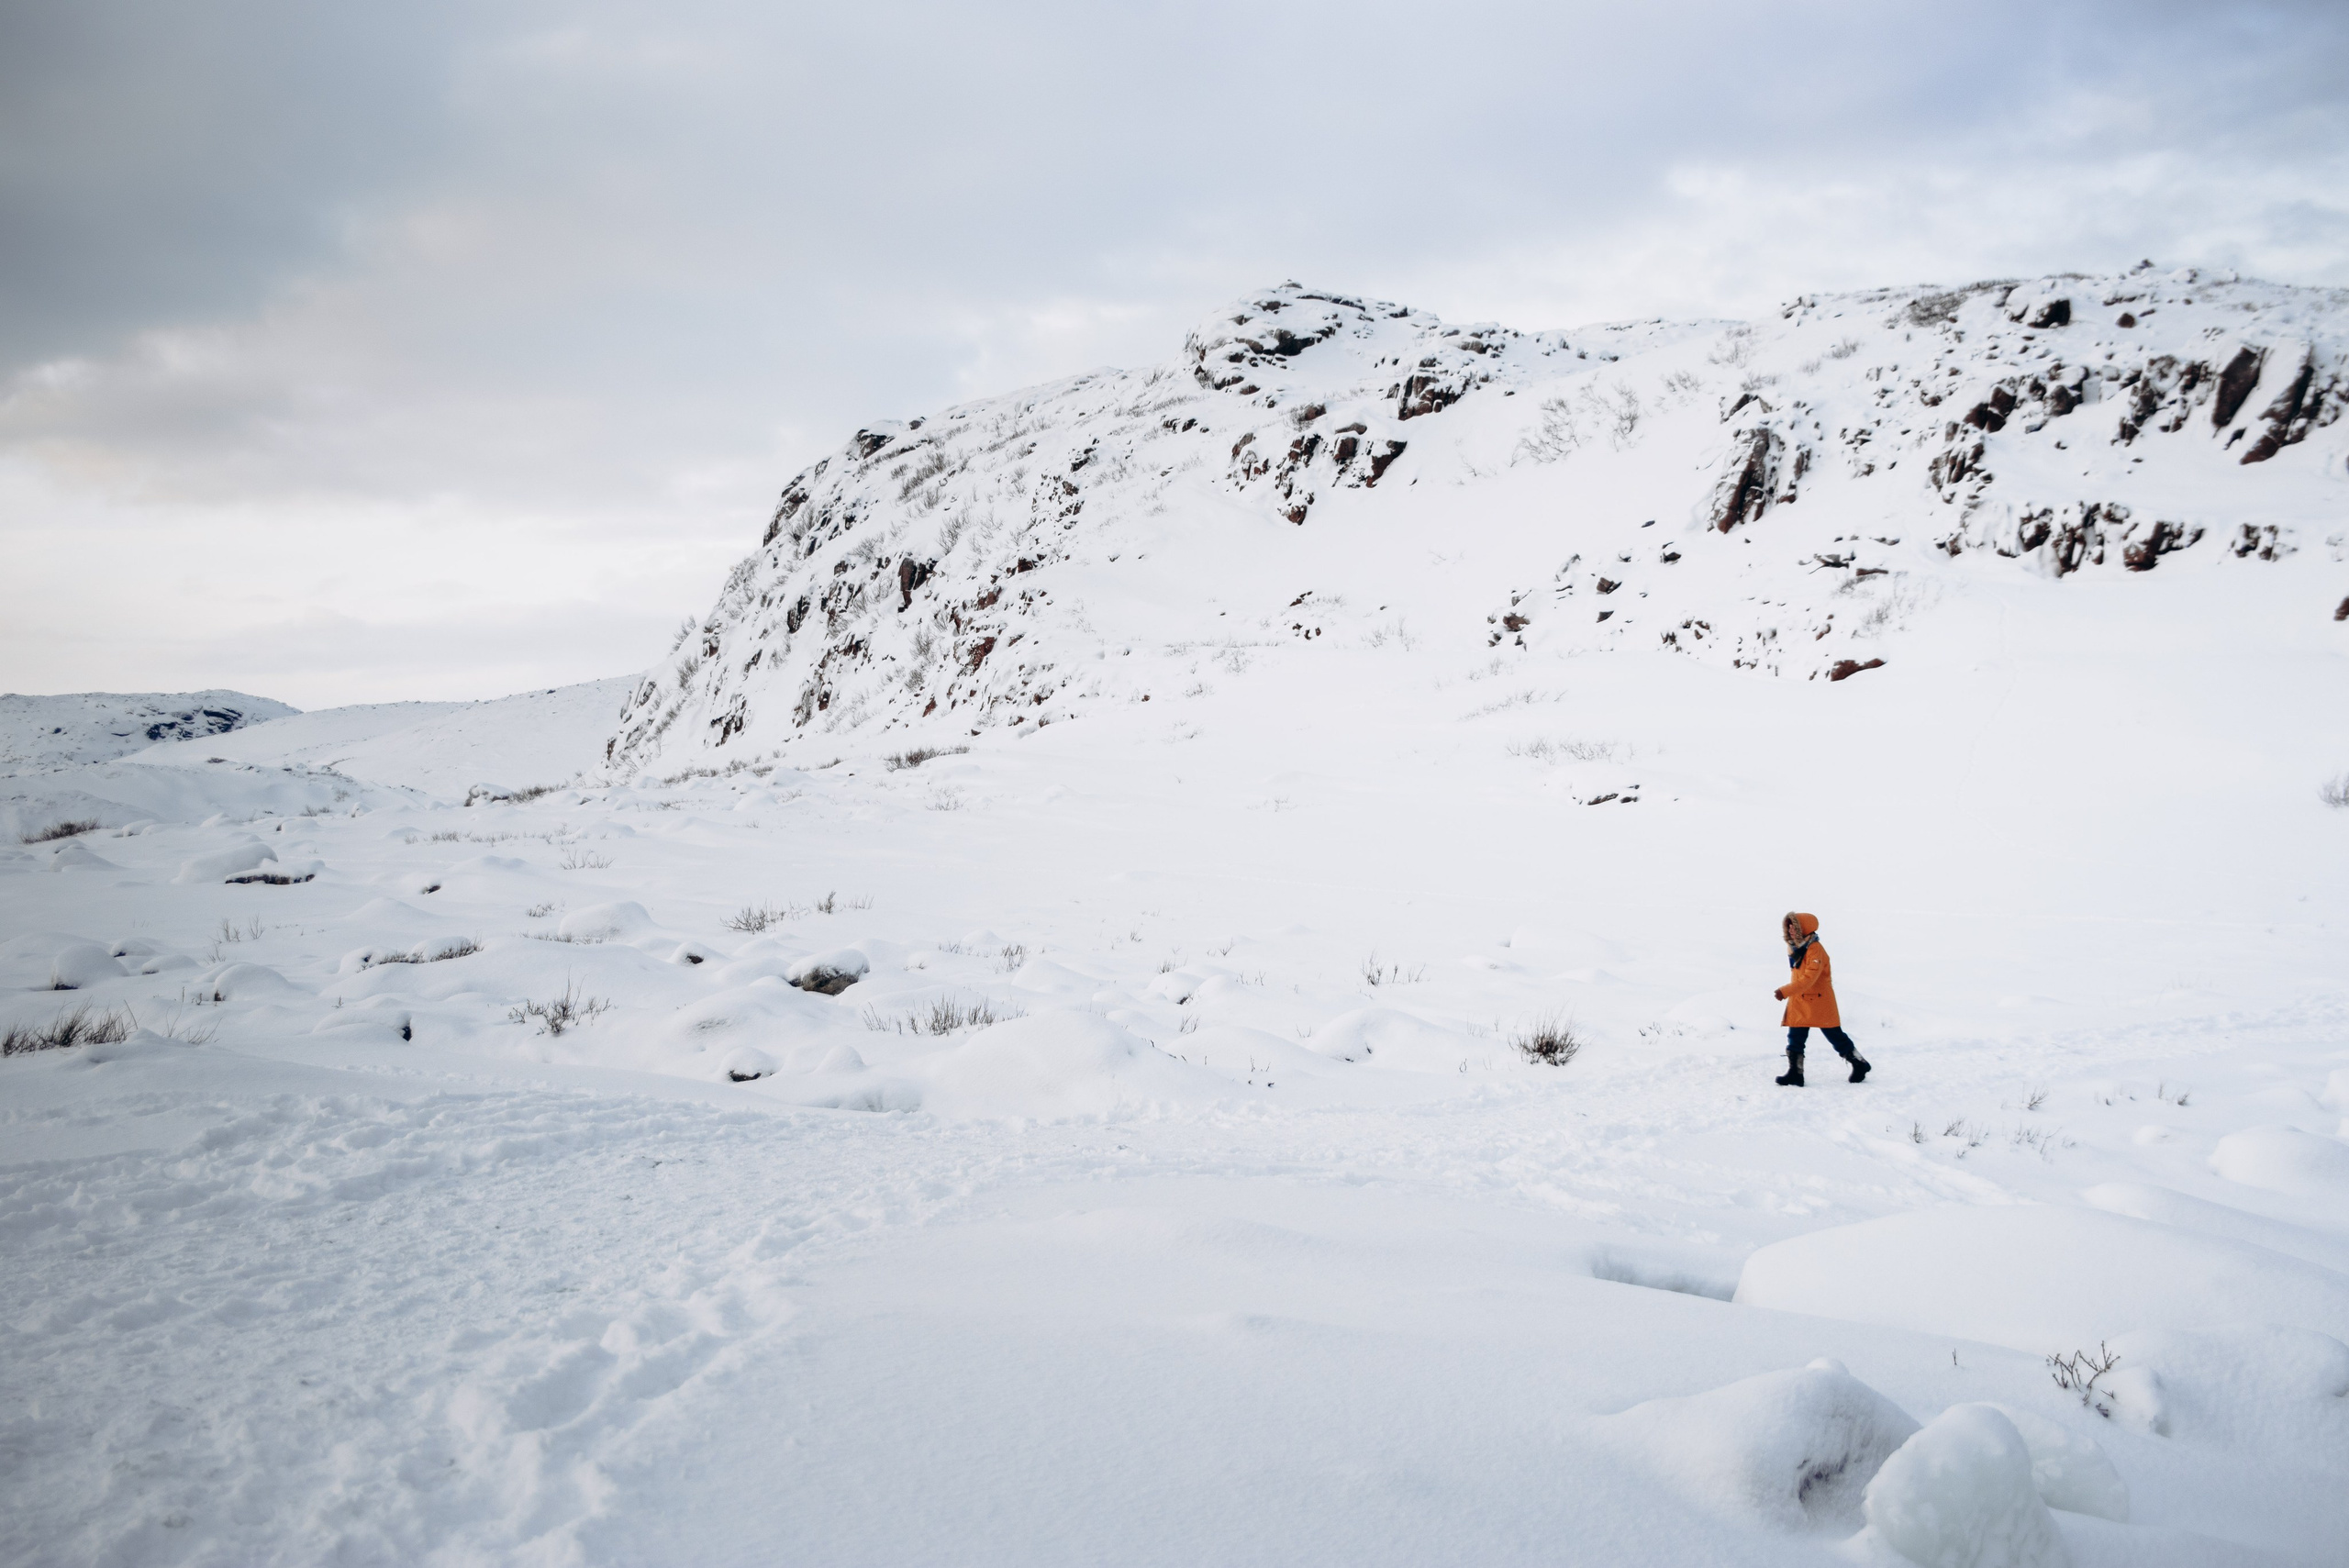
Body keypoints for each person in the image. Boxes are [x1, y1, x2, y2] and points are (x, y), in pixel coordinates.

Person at [1772, 912, 1869, 1086]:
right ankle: (1795, 1073)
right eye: (1790, 927)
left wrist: (1785, 991)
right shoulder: (1796, 947)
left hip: (1818, 1001)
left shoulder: (1815, 949)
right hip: (1801, 1000)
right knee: (1795, 1038)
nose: (1792, 930)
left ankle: (1859, 1063)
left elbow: (1809, 979)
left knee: (1836, 1037)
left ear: (1805, 928)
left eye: (1796, 927)